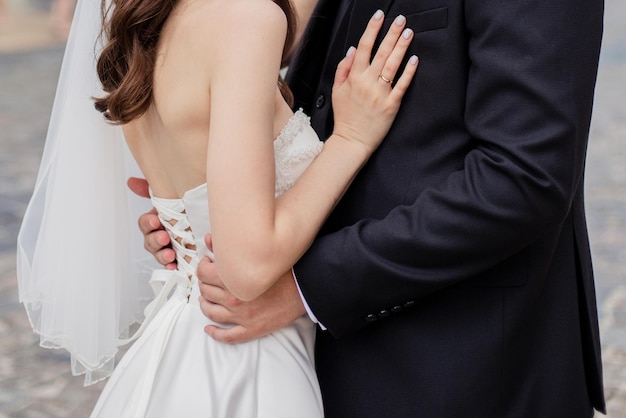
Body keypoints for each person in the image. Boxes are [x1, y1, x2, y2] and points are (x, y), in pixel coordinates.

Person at [139, 0, 607, 416]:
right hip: (303, 358)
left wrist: (305, 289)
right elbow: (313, 97)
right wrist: (207, 206)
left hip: (460, 364)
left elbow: (522, 179)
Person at [16, 0, 419, 416]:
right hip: (246, 364)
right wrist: (351, 138)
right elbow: (247, 266)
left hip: (180, 343)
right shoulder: (245, 18)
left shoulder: (142, 32)